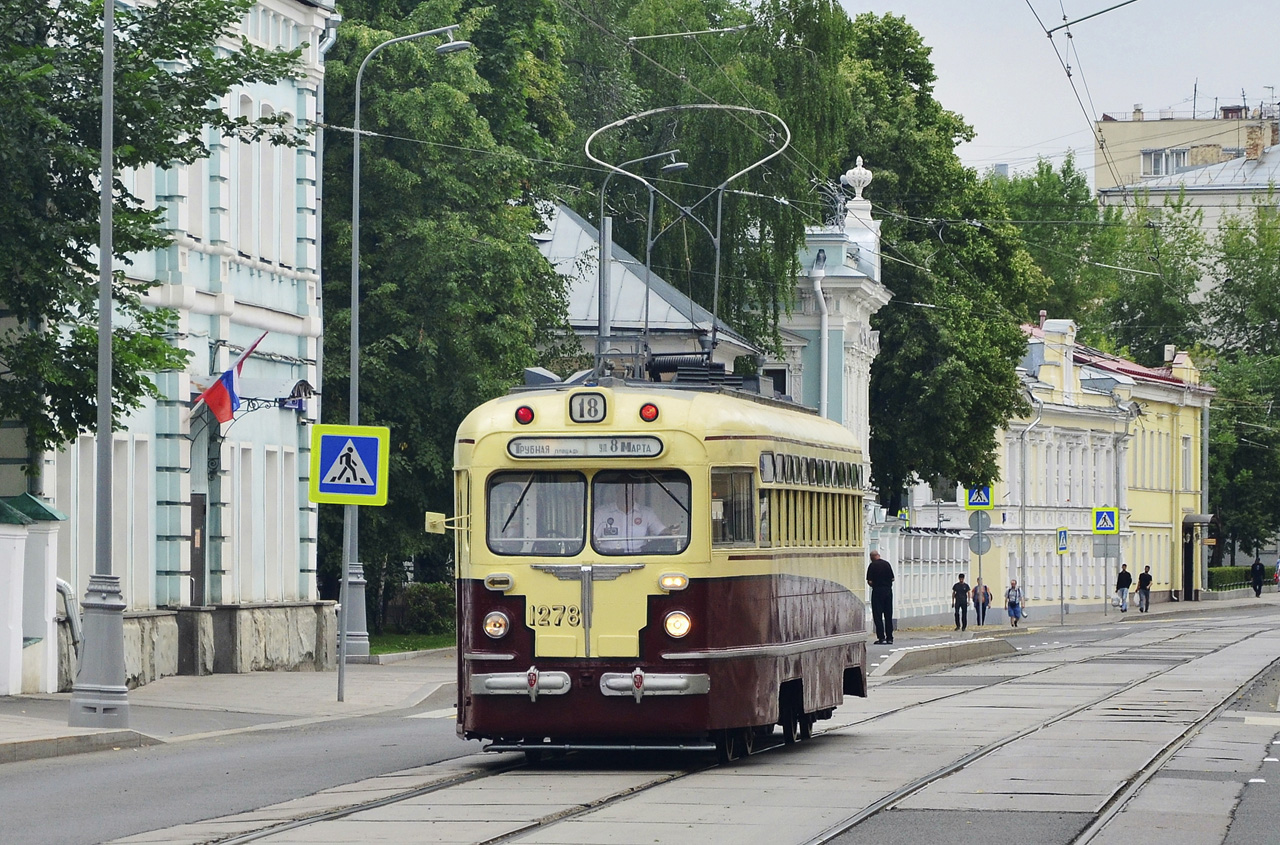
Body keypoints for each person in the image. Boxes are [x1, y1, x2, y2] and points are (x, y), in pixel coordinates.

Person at [593, 484, 666, 552]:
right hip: (607, 559)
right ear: (617, 490)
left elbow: (662, 532)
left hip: (638, 559)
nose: (626, 494)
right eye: (624, 490)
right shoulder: (601, 513)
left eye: (630, 491)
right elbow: (593, 537)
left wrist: (673, 531)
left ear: (637, 492)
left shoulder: (647, 513)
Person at [866, 550, 895, 645]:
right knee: (888, 615)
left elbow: (870, 581)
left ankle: (881, 638)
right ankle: (890, 638)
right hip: (888, 591)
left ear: (871, 557)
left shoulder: (872, 566)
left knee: (877, 616)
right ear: (878, 555)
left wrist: (875, 584)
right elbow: (892, 578)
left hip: (877, 591)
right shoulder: (887, 564)